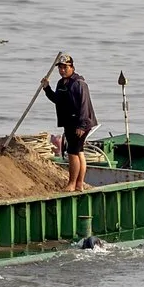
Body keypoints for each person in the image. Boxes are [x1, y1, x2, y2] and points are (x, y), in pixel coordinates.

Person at [41, 54, 96, 192]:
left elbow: (84, 105)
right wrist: (47, 88)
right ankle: (79, 184)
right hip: (69, 122)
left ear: (72, 67)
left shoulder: (79, 83)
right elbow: (57, 100)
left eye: (65, 67)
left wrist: (82, 126)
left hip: (80, 123)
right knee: (79, 152)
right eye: (60, 67)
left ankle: (72, 184)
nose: (62, 70)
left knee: (72, 152)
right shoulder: (61, 83)